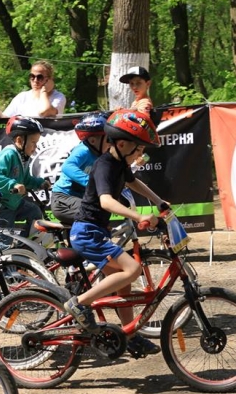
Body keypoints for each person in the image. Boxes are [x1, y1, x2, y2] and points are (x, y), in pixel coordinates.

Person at [64, 109, 167, 358]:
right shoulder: (104, 165)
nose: (141, 155)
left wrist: (158, 200)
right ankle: (78, 304)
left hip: (95, 231)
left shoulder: (120, 162)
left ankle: (129, 334)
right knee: (132, 269)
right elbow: (107, 202)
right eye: (139, 150)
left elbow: (132, 182)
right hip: (86, 233)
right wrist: (139, 216)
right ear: (122, 144)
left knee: (125, 283)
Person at [0, 116, 50, 238]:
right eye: (33, 143)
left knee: (34, 212)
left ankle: (24, 247)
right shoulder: (8, 154)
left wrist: (40, 183)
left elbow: (25, 180)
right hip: (2, 206)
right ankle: (5, 254)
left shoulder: (23, 157)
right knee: (4, 241)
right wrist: (13, 184)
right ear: (20, 141)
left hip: (15, 203)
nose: (35, 147)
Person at [51, 112, 110, 224]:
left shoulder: (100, 153)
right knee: (94, 214)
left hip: (78, 199)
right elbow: (67, 166)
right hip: (63, 200)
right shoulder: (83, 150)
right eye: (108, 140)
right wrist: (91, 182)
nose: (110, 144)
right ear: (93, 140)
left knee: (103, 211)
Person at [0, 61, 66, 118]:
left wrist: (44, 90)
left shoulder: (58, 97)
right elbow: (2, 119)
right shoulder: (22, 97)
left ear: (49, 79)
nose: (35, 80)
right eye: (32, 76)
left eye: (40, 77)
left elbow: (45, 111)